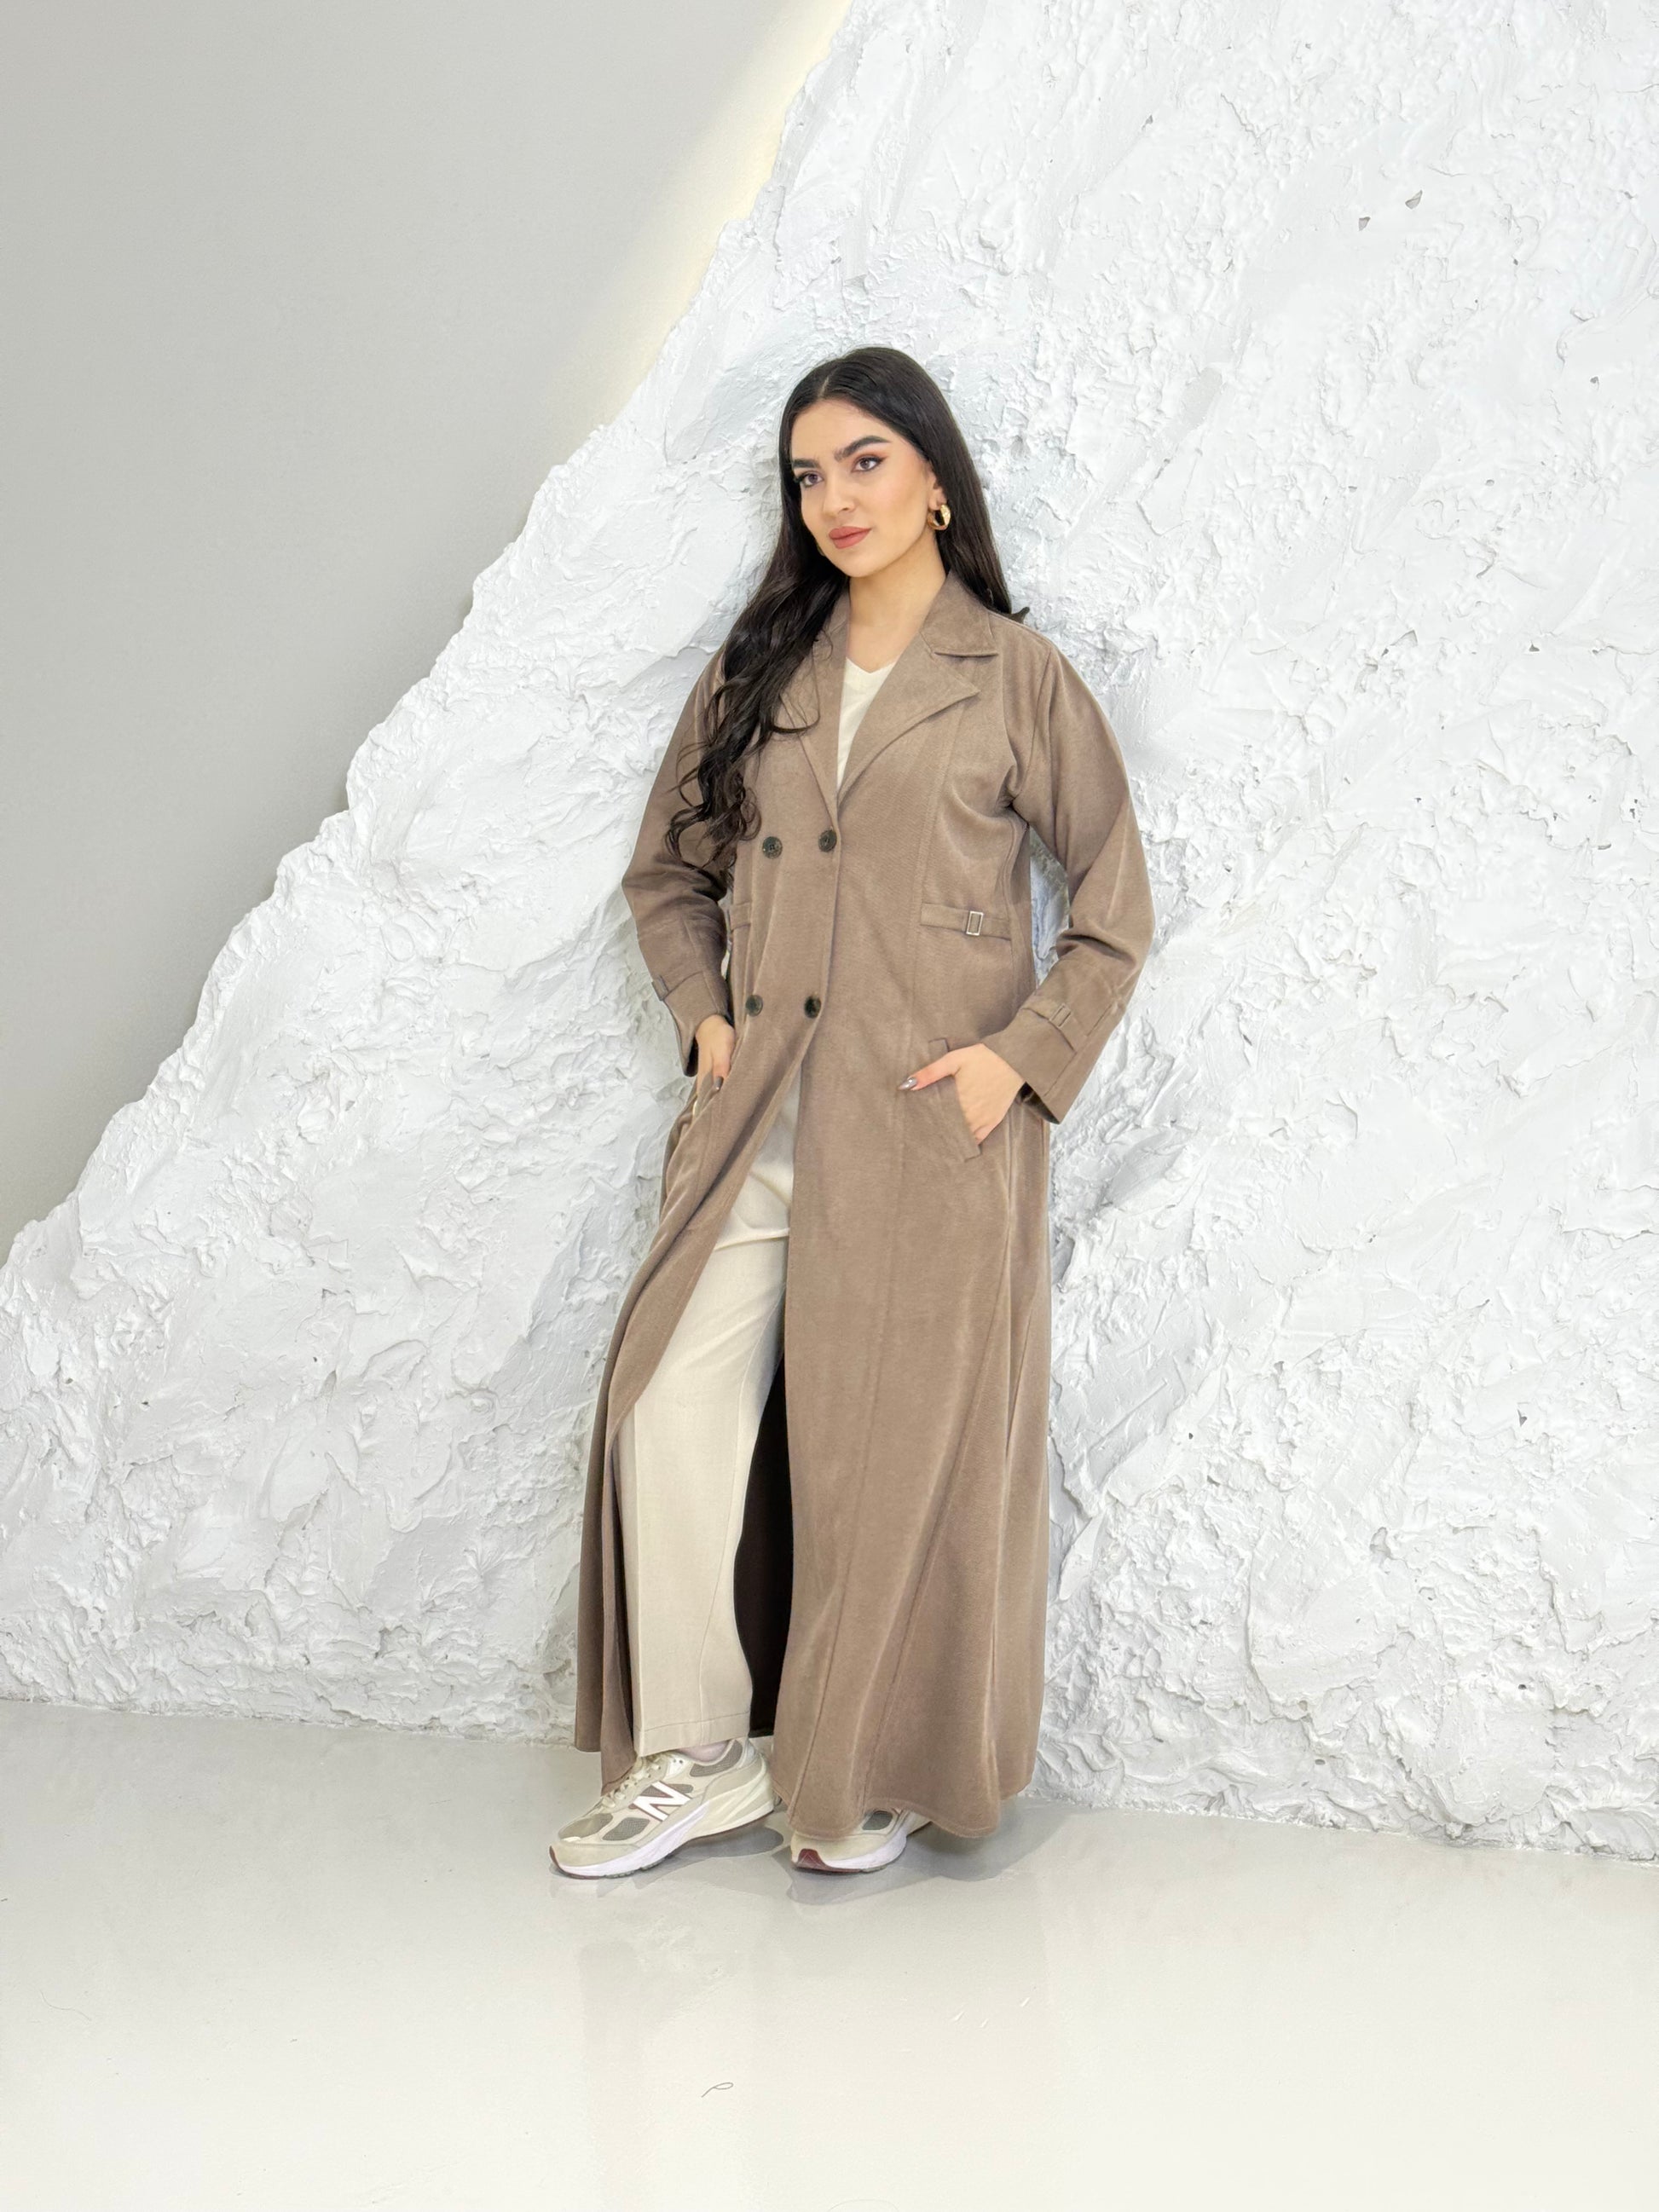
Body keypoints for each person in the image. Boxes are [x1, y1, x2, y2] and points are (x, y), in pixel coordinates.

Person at [552, 344, 1155, 1879]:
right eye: (807, 475)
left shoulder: (1015, 678)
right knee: (664, 1403)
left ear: (935, 479)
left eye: (865, 463)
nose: (834, 499)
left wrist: (1014, 1062)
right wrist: (701, 1022)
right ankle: (693, 1754)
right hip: (752, 1119)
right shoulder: (763, 675)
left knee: (877, 1454)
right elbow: (664, 875)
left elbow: (1110, 908)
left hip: (921, 1130)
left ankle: (865, 1763)